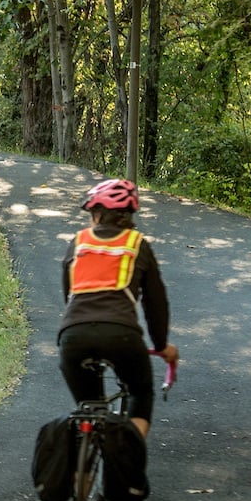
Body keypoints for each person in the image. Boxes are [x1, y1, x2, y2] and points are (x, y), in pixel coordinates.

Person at [58, 178, 178, 439]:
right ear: (128, 215)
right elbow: (156, 304)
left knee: (88, 408)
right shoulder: (137, 244)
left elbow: (69, 295)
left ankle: (81, 474)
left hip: (73, 336)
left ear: (98, 214)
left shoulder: (78, 242)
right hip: (121, 335)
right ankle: (127, 462)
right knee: (140, 393)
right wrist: (161, 346)